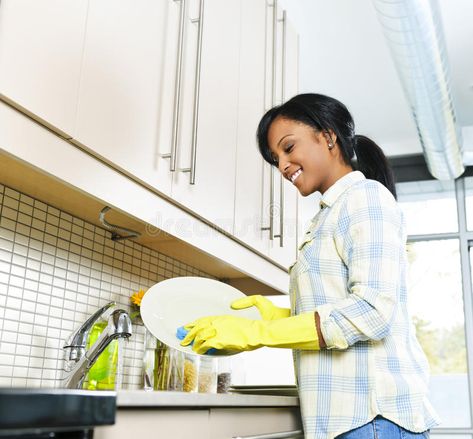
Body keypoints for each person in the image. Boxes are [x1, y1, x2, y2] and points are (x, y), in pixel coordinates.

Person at [181, 93, 440, 439]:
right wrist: (275, 319)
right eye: (275, 159)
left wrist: (259, 334)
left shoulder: (366, 197)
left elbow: (372, 312)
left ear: (328, 137)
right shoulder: (327, 216)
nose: (283, 165)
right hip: (347, 421)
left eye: (288, 148)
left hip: (374, 419)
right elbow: (336, 309)